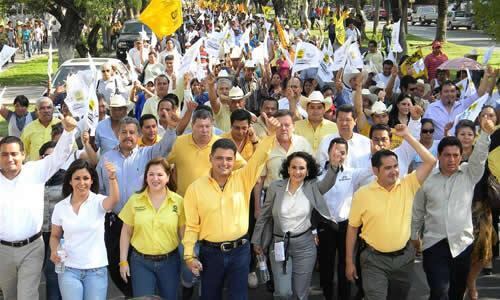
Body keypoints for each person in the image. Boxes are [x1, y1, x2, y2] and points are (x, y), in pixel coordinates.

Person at [182, 113, 280, 299]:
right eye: (219, 158)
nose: (224, 163)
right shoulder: (195, 188)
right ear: (210, 159)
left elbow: (258, 158)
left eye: (229, 159)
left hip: (240, 252)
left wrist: (271, 135)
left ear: (234, 160)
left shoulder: (243, 178)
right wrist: (189, 256)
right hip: (210, 254)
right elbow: (192, 226)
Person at [345, 124, 437, 300]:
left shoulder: (407, 185)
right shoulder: (362, 194)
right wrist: (349, 262)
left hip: (404, 259)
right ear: (375, 171)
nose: (394, 171)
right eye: (387, 168)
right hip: (373, 260)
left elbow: (431, 161)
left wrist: (408, 136)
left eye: (395, 166)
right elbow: (352, 228)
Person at [411, 118, 495, 300]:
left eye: (456, 155)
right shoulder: (427, 180)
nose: (452, 160)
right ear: (439, 156)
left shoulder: (469, 174)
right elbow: (417, 210)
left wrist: (486, 135)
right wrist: (414, 236)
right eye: (447, 155)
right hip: (434, 244)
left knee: (456, 293)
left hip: (462, 245)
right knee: (439, 291)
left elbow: (479, 158)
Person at [97, 116, 177, 296]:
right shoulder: (106, 158)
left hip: (142, 221)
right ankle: (130, 293)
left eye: (132, 132)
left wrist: (171, 129)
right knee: (115, 261)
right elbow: (101, 188)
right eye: (124, 132)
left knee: (140, 265)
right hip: (116, 221)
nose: (128, 136)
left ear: (138, 135)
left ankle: (139, 293)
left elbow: (165, 146)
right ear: (118, 134)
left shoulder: (147, 154)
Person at [0, 116, 76, 300]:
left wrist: (68, 131)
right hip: (3, 251)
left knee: (27, 295)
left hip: (32, 248)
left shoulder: (35, 170)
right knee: (10, 296)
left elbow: (59, 155)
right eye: (4, 154)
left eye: (14, 154)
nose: (10, 158)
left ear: (23, 155)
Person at [252, 149, 341, 299]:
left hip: (305, 245)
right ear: (288, 169)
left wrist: (333, 166)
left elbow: (328, 183)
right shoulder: (275, 187)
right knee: (283, 292)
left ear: (307, 171)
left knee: (300, 294)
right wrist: (256, 240)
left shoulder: (312, 187)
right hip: (279, 243)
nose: (297, 171)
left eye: (302, 168)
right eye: (294, 167)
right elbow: (265, 215)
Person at [50, 159, 119, 300]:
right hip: (68, 269)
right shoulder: (60, 207)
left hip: (96, 270)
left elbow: (114, 200)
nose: (82, 183)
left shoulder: (98, 201)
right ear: (70, 181)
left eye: (86, 178)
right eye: (77, 178)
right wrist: (53, 251)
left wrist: (112, 178)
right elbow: (55, 236)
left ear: (92, 181)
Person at [119, 158, 184, 299]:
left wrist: (189, 259)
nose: (155, 178)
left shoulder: (178, 202)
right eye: (151, 174)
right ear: (146, 177)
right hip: (141, 263)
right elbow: (126, 232)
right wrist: (123, 261)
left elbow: (183, 235)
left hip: (170, 263)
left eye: (160, 175)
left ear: (167, 177)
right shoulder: (135, 200)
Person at [424, 67, 494, 140]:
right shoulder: (431, 108)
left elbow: (479, 93)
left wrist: (486, 76)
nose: (449, 94)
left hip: (459, 146)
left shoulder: (463, 104)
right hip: (439, 147)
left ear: (456, 93)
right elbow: (424, 129)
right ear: (440, 94)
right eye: (446, 91)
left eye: (452, 91)